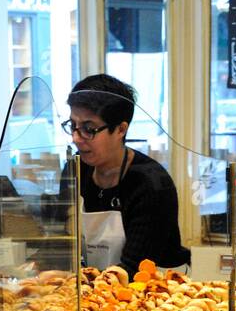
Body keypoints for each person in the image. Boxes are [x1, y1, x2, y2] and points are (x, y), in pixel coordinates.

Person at [63, 73, 189, 276]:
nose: (76, 138)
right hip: (100, 283)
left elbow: (134, 269)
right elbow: (65, 242)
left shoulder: (151, 183)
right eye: (73, 126)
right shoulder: (75, 168)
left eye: (88, 129)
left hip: (155, 286)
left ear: (121, 129)